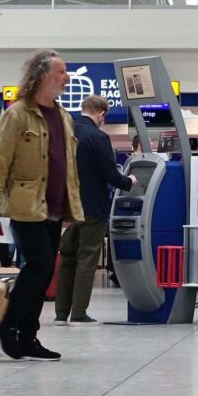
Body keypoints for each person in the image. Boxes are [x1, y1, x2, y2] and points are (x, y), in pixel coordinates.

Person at [0, 49, 83, 361]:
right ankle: (8, 325)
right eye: (62, 72)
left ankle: (29, 337)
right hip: (25, 204)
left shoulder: (63, 116)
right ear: (43, 76)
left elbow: (66, 165)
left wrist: (71, 204)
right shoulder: (17, 114)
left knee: (42, 271)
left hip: (54, 206)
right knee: (38, 263)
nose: (67, 78)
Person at [54, 96, 136, 327]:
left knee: (68, 258)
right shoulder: (98, 137)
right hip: (91, 207)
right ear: (101, 114)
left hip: (66, 207)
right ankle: (79, 314)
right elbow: (110, 175)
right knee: (87, 259)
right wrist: (129, 181)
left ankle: (61, 314)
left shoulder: (64, 131)